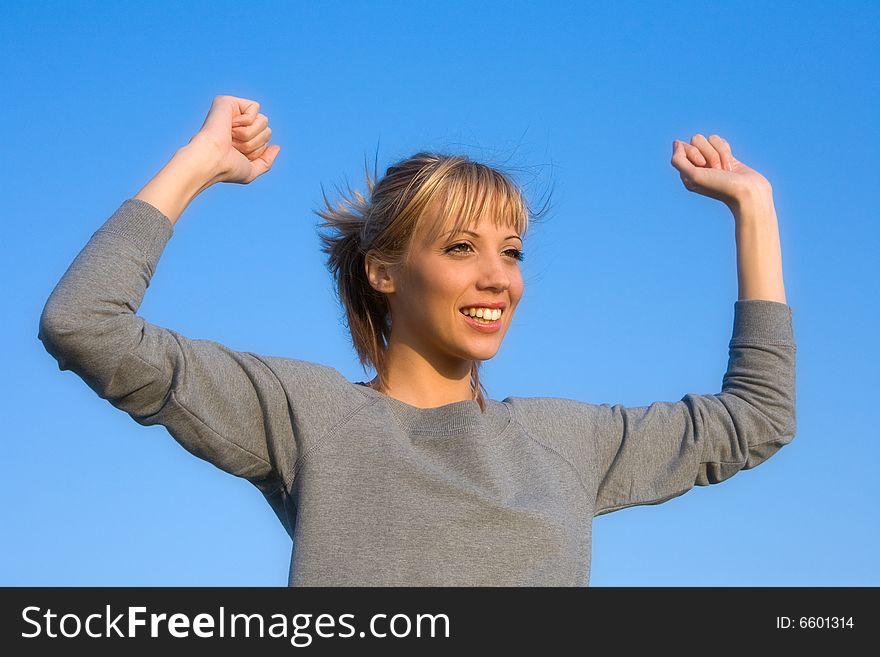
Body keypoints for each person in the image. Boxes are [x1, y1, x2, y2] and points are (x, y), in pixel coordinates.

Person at [38, 95, 796, 586]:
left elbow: (758, 418)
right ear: (386, 271)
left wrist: (753, 209)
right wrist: (197, 165)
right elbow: (86, 323)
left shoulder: (567, 440)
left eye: (513, 251)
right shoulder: (308, 414)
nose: (499, 277)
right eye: (462, 247)